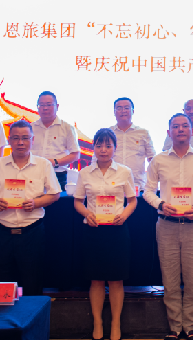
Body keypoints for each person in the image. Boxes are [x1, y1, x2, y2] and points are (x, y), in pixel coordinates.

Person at [143, 113, 193, 340]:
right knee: (170, 280)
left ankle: (190, 327)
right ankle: (175, 328)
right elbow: (148, 191)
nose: (180, 130)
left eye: (184, 126)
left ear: (191, 130)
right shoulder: (158, 160)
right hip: (166, 226)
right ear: (169, 132)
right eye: (175, 127)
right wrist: (160, 204)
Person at [0, 120, 61, 295]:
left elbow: (55, 194)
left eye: (25, 138)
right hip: (1, 233)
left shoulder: (43, 165)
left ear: (32, 139)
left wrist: (36, 203)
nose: (20, 142)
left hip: (32, 233)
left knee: (33, 283)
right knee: (1, 284)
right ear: (9, 140)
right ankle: (2, 313)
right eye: (15, 138)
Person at [74, 128, 137, 340]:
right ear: (93, 148)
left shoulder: (124, 172)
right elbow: (77, 202)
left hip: (117, 231)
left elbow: (132, 201)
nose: (103, 149)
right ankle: (98, 322)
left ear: (114, 148)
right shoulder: (84, 173)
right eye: (99, 145)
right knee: (96, 280)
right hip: (93, 231)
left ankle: (115, 323)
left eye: (108, 145)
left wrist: (124, 215)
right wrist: (87, 213)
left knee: (116, 280)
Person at [91, 97, 155, 191]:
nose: (123, 111)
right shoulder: (107, 133)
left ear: (133, 111)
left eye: (126, 108)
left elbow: (152, 159)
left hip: (137, 186)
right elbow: (95, 159)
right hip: (111, 185)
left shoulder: (143, 133)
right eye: (119, 108)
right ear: (114, 112)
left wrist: (152, 182)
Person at [32, 90, 80, 191]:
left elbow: (75, 154)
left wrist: (56, 162)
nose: (45, 108)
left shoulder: (67, 128)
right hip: (33, 174)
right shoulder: (31, 128)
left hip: (57, 175)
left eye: (49, 104)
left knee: (57, 201)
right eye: (41, 105)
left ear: (57, 106)